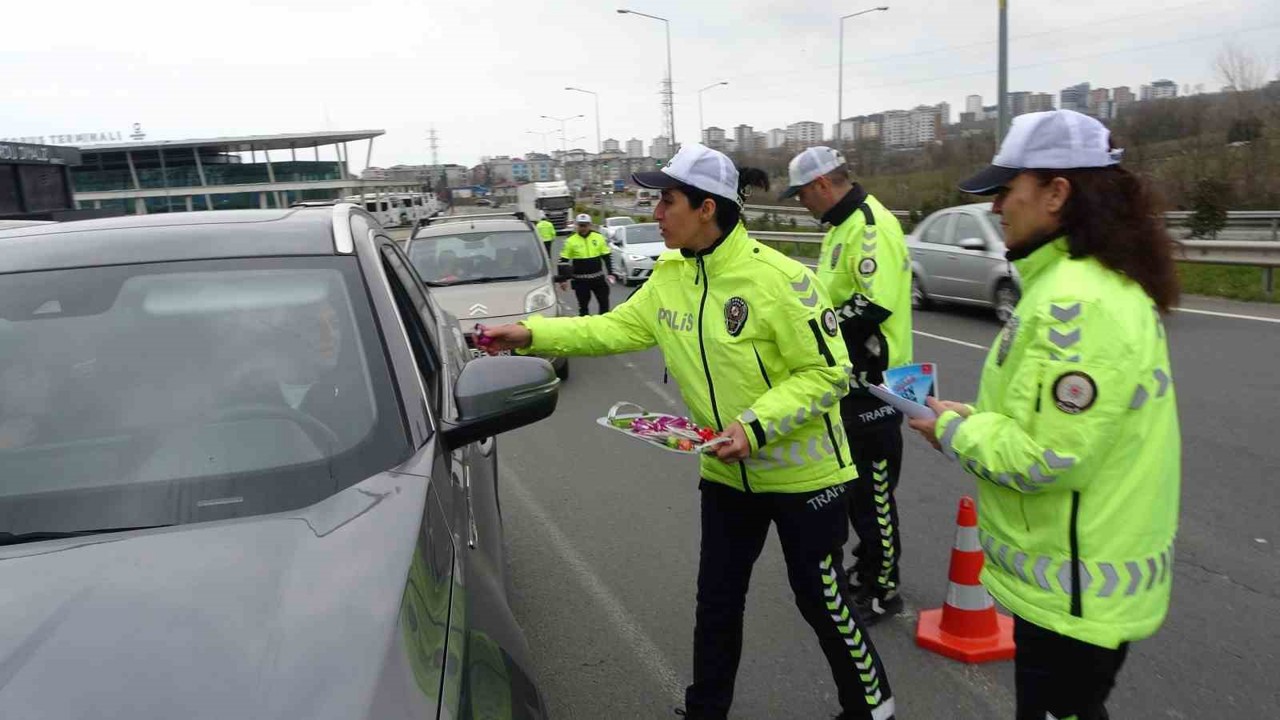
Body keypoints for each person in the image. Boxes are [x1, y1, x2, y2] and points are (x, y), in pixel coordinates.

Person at [479, 144, 895, 720]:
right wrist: (528, 334)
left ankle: (872, 707)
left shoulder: (781, 280)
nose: (656, 214)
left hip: (807, 476)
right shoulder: (670, 276)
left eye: (666, 202)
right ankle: (706, 709)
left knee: (821, 602)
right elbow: (610, 328)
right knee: (717, 602)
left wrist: (754, 427)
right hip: (725, 472)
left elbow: (828, 373)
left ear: (706, 208)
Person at [907, 110, 1181, 720]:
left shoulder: (1078, 304)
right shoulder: (1079, 285)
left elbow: (1048, 455)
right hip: (1073, 587)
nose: (997, 205)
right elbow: (1044, 422)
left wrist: (953, 429)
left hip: (1076, 595)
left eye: (1008, 189)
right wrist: (971, 415)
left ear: (1058, 192)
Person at [781, 146, 913, 624]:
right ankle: (867, 569)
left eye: (801, 195)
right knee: (856, 490)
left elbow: (871, 307)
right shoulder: (840, 226)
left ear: (821, 185)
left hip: (881, 382)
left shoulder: (870, 225)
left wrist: (815, 330)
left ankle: (883, 589)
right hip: (851, 382)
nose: (801, 204)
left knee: (874, 491)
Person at [559, 213, 617, 316]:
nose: (583, 228)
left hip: (598, 278)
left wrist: (611, 273)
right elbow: (563, 261)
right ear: (576, 225)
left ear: (590, 225)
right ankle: (586, 328)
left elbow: (606, 256)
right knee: (583, 307)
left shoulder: (598, 237)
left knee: (604, 304)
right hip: (581, 280)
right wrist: (562, 280)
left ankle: (603, 326)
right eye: (581, 225)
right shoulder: (570, 240)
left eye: (585, 225)